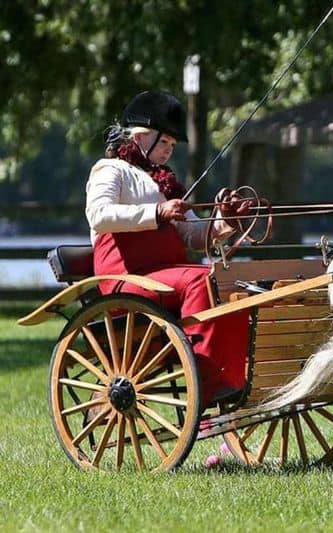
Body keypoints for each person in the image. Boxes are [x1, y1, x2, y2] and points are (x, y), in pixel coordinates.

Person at [85, 90, 251, 409]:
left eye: (172, 146)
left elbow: (193, 234)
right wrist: (157, 213)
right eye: (165, 143)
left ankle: (231, 376)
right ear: (142, 135)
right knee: (201, 281)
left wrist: (226, 221)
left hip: (167, 277)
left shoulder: (165, 182)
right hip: (127, 276)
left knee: (225, 281)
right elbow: (99, 215)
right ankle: (202, 377)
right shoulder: (110, 170)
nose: (168, 152)